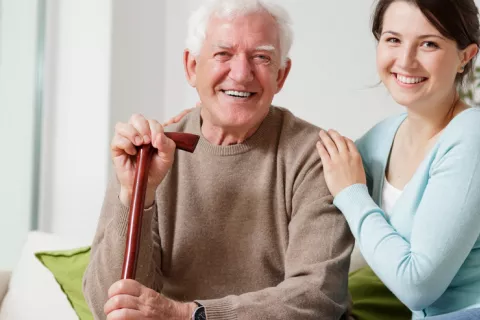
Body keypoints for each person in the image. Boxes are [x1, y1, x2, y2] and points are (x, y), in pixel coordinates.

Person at [82, 0, 354, 319]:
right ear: (192, 67)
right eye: (223, 54)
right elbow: (109, 305)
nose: (240, 74)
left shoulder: (316, 156)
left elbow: (317, 295)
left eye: (261, 57)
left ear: (282, 74)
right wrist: (134, 195)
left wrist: (188, 315)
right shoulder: (147, 151)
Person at [315, 0, 480, 319]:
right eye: (393, 39)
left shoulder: (472, 135)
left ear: (465, 56)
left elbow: (418, 287)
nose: (405, 60)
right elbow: (306, 167)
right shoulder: (382, 137)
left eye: (429, 44)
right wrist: (203, 126)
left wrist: (353, 195)